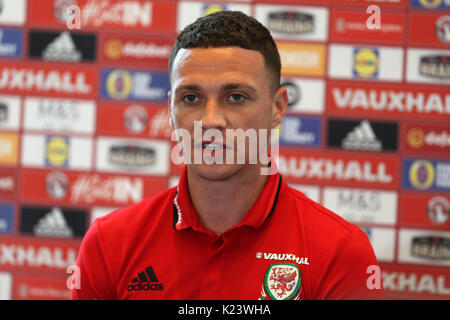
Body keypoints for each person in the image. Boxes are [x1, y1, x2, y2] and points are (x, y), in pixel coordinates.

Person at [71, 11, 384, 300]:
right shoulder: (108, 244)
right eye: (191, 98)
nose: (210, 121)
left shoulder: (339, 252)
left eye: (235, 97)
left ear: (278, 107)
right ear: (170, 109)